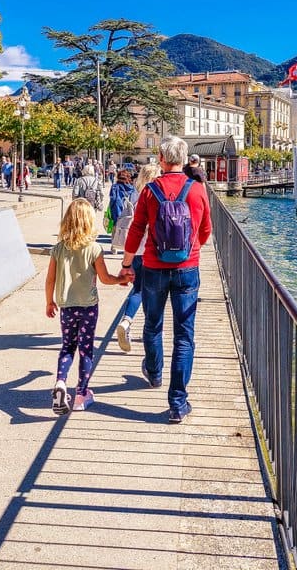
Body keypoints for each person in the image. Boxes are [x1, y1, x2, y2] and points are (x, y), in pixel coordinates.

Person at [120, 136, 212, 424]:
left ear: (160, 158)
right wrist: (190, 248)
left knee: (153, 324)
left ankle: (154, 372)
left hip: (153, 268)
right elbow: (206, 232)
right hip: (188, 269)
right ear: (184, 159)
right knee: (184, 336)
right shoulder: (197, 190)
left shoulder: (150, 191)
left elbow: (135, 231)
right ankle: (177, 403)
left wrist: (126, 264)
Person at [45, 198, 128, 415]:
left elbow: (50, 280)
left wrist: (49, 301)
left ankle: (61, 383)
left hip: (66, 307)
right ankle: (81, 395)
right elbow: (105, 278)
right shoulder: (94, 249)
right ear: (89, 221)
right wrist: (121, 280)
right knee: (86, 349)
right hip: (89, 307)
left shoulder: (58, 249)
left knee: (67, 346)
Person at [115, 163, 161, 353]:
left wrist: (126, 261)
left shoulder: (135, 194)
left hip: (135, 250)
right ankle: (148, 330)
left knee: (139, 289)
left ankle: (127, 320)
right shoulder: (157, 195)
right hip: (152, 250)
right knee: (153, 293)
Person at [109, 169, 138, 255]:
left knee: (115, 229)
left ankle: (114, 248)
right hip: (128, 212)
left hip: (117, 210)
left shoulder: (115, 187)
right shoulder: (132, 188)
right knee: (127, 229)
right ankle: (126, 248)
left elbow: (112, 199)